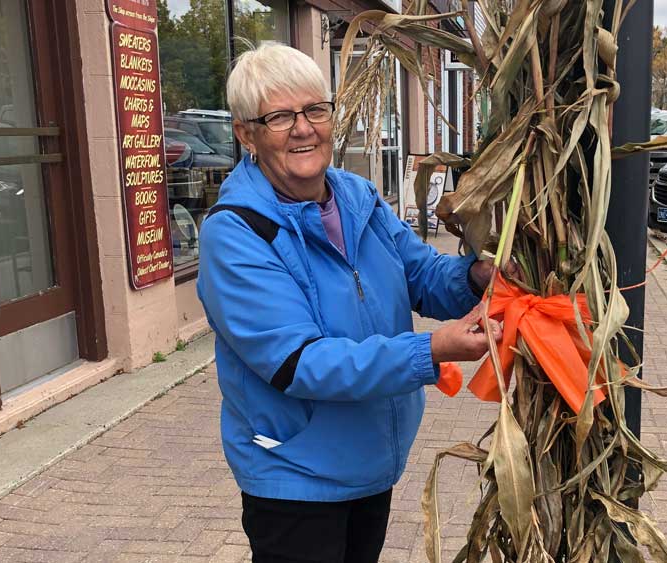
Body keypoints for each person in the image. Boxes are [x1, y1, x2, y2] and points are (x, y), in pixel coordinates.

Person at [196, 42, 501, 563]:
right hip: (296, 478)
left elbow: (421, 274)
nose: (303, 129)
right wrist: (430, 351)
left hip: (371, 464)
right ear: (247, 134)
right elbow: (299, 363)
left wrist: (476, 276)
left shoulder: (357, 197)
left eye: (315, 109)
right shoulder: (236, 233)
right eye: (279, 117)